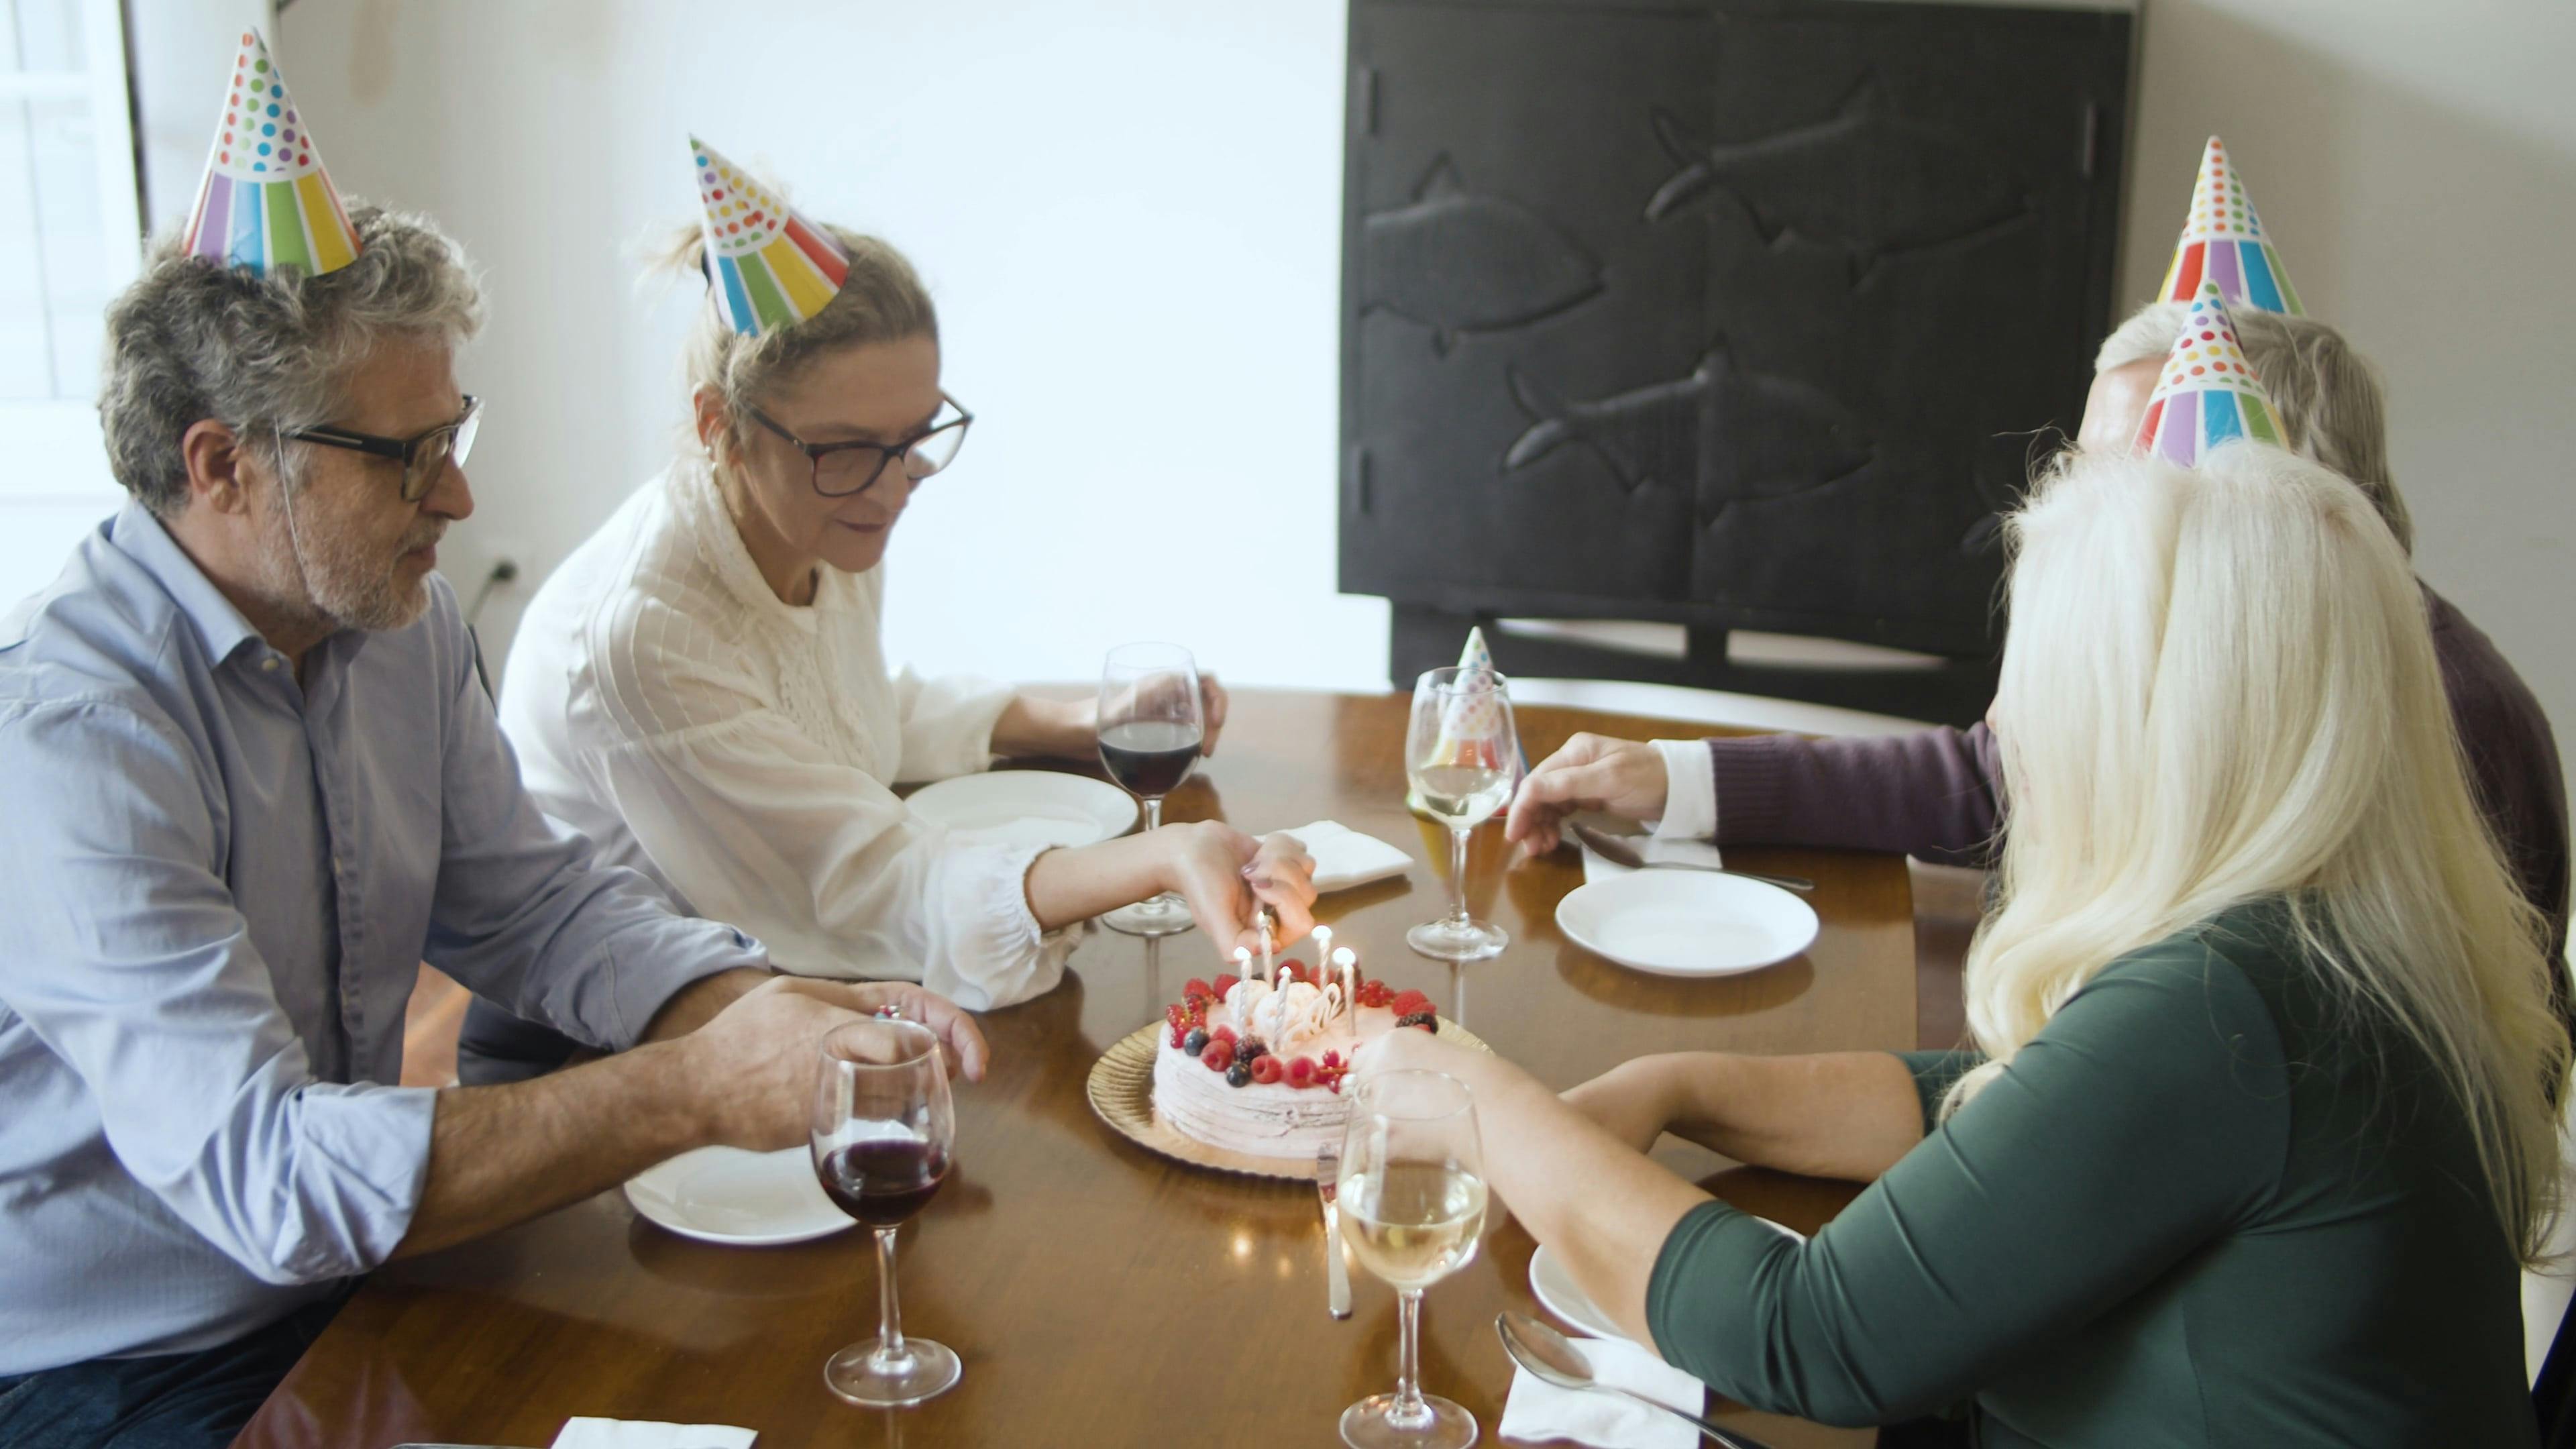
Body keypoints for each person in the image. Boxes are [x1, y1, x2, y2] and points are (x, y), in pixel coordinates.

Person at [0, 186, 989, 1449]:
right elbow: (271, 1178)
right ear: (222, 465)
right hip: (120, 1367)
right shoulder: (70, 737)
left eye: (455, 433)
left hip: (353, 1273)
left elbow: (536, 907)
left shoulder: (389, 625)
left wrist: (765, 1011)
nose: (460, 497)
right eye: (409, 456)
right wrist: (691, 1087)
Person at [1371, 442, 2567, 1444]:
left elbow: (1808, 1335)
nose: (2004, 722)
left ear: (2173, 731)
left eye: (2048, 677)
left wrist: (1478, 1100)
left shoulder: (2229, 1005)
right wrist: (1679, 1085)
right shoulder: (2345, 940)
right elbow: (2022, 1106)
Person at [476, 146, 1311, 1083]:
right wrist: (1164, 856)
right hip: (604, 1057)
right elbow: (870, 885)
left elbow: (845, 712)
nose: (893, 488)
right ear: (721, 427)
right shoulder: (644, 636)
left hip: (777, 998)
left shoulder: (815, 515)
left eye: (915, 438)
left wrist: (1084, 722)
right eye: (846, 449)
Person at [1505, 300, 2569, 979]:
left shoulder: (2436, 721)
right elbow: (1999, 776)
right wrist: (1677, 777)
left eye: (2118, 479)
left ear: (2266, 496)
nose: (2070, 515)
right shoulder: (2251, 648)